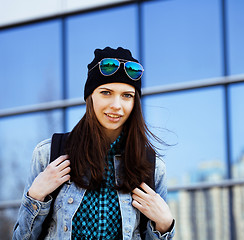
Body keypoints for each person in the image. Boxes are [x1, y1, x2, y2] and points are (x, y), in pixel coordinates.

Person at [13, 47, 175, 240]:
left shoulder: (151, 168)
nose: (116, 105)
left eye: (127, 95)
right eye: (106, 92)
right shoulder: (49, 154)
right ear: (90, 96)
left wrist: (165, 225)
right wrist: (36, 196)